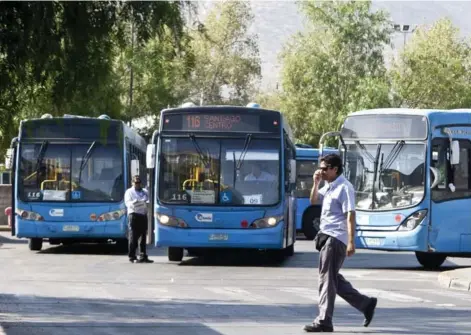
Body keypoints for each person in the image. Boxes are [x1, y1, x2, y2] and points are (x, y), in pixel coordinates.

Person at [304, 154, 377, 332]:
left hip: (335, 238)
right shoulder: (329, 186)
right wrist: (315, 183)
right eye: (320, 168)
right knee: (333, 278)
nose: (321, 171)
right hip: (326, 237)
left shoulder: (344, 187)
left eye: (324, 168)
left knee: (326, 280)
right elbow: (313, 201)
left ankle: (324, 321)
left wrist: (351, 242)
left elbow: (350, 215)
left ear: (334, 169)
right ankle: (365, 304)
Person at [124, 175, 153, 263]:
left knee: (143, 236)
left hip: (143, 215)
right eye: (136, 182)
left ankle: (143, 256)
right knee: (133, 236)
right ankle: (132, 256)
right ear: (132, 183)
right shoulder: (129, 192)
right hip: (134, 215)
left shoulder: (144, 191)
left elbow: (148, 201)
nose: (138, 184)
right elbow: (129, 204)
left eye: (139, 182)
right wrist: (137, 202)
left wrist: (144, 203)